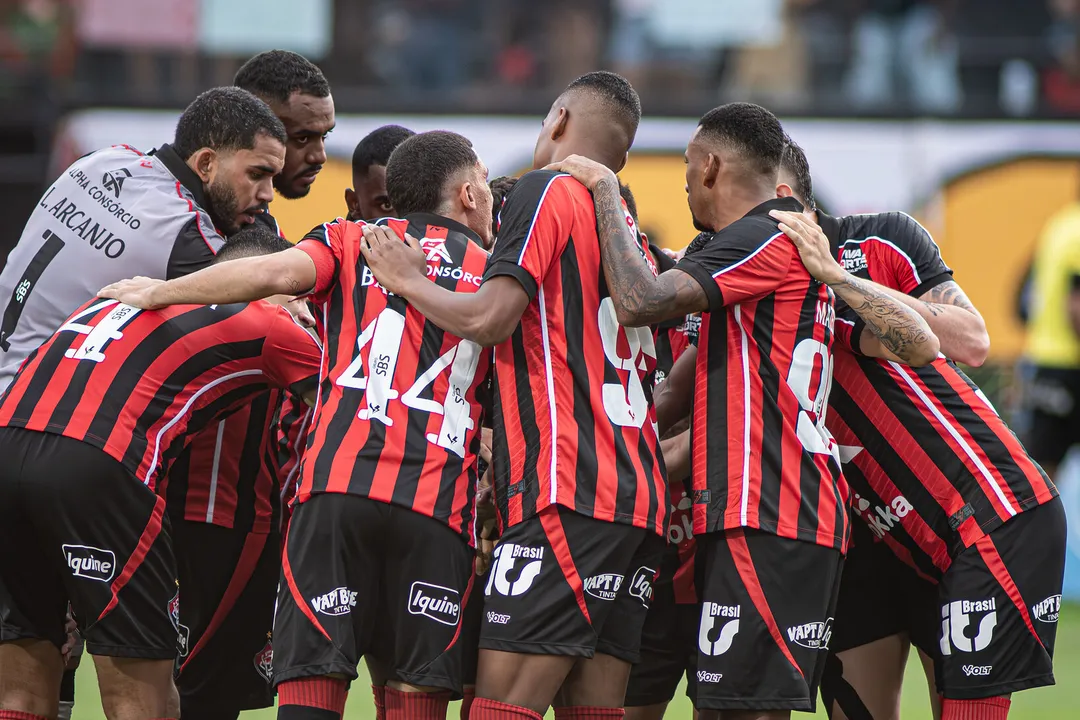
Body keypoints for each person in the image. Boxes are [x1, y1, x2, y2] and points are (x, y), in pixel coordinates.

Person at [542, 102, 937, 720]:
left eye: (683, 165)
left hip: (773, 512)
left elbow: (642, 300)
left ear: (710, 166)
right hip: (762, 513)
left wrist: (603, 191)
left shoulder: (765, 233)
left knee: (744, 711)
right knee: (727, 708)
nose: (683, 180)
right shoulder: (758, 252)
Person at [100, 129, 496, 720]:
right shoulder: (499, 280)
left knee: (314, 683)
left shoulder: (351, 239)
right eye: (487, 187)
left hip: (334, 494)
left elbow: (269, 274)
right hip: (436, 505)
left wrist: (162, 290)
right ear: (468, 194)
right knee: (415, 696)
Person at [359, 71, 669, 720]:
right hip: (635, 501)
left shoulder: (548, 188)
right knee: (594, 710)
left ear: (558, 120)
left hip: (568, 489)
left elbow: (491, 317)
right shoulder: (627, 235)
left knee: (498, 709)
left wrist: (407, 280)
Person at [774, 142, 1063, 720]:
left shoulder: (879, 238)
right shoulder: (741, 276)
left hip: (968, 522)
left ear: (782, 198)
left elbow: (972, 341)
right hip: (864, 537)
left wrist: (835, 280)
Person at [0, 242, 320, 720]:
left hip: (8, 444)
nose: (310, 317)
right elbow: (365, 403)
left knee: (20, 686)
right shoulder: (272, 323)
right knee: (145, 700)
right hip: (99, 465)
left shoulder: (120, 295)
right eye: (305, 301)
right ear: (273, 280)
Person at [0, 85, 285, 393]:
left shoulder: (103, 159)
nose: (268, 194)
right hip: (24, 410)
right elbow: (275, 295)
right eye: (257, 174)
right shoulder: (182, 230)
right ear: (205, 164)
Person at [166, 224, 317, 720]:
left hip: (172, 520)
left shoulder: (175, 315)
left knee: (172, 682)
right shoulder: (275, 331)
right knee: (201, 691)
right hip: (229, 529)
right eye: (291, 294)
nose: (300, 307)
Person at [1022, 192, 1080, 481]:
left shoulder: (1058, 226)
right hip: (1072, 364)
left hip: (1044, 362)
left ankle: (1037, 529)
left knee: (1043, 475)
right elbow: (1076, 305)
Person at [235, 49, 335, 205]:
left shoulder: (252, 213)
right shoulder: (190, 219)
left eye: (324, 136)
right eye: (302, 138)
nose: (320, 157)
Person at [345, 124, 416, 221]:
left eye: (416, 204)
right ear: (354, 204)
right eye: (387, 205)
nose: (403, 222)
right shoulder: (325, 235)